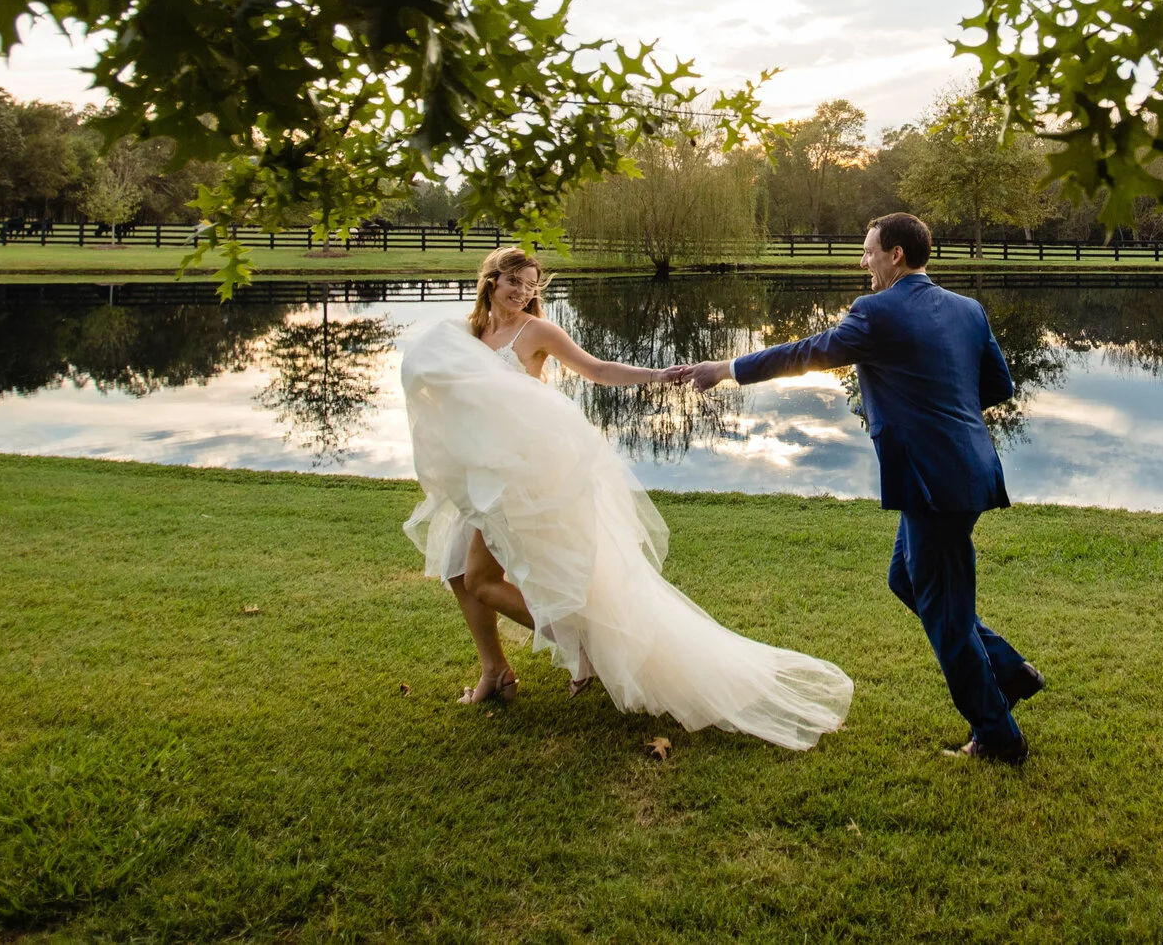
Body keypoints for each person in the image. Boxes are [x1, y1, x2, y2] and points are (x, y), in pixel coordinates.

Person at [398, 246, 852, 750]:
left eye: (531, 286)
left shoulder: (537, 332)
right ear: (491, 279)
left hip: (520, 475)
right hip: (477, 470)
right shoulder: (467, 334)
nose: (524, 293)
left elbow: (596, 370)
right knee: (459, 573)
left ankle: (586, 643)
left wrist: (657, 376)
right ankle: (496, 673)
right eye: (516, 283)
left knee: (480, 579)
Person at [680, 213, 1042, 765]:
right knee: (907, 580)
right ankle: (1009, 671)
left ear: (895, 255)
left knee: (945, 615)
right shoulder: (967, 309)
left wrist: (726, 368)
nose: (863, 262)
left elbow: (804, 352)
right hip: (965, 470)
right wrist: (941, 418)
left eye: (869, 252)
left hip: (932, 481)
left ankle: (998, 735)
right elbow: (996, 385)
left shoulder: (876, 311)